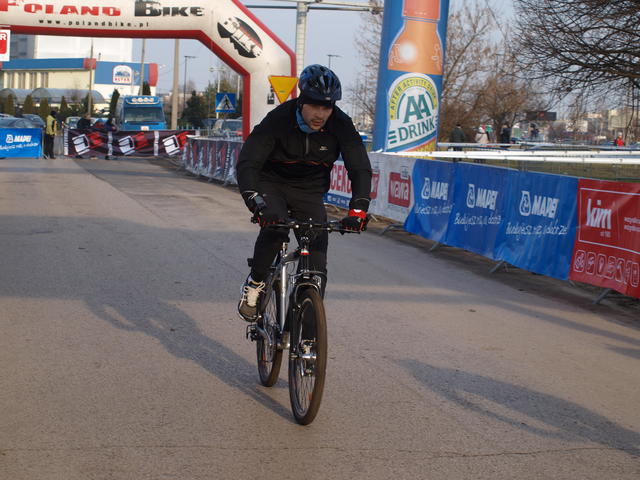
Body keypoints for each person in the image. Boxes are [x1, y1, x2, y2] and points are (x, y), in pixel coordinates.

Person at [236, 64, 372, 322]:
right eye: (315, 106)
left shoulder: (340, 123)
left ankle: (308, 326)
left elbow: (359, 167)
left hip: (309, 190)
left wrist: (358, 209)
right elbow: (248, 163)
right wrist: (256, 202)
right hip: (271, 183)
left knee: (317, 255)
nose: (321, 114)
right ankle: (255, 283)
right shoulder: (278, 119)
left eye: (327, 107)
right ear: (301, 102)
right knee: (275, 228)